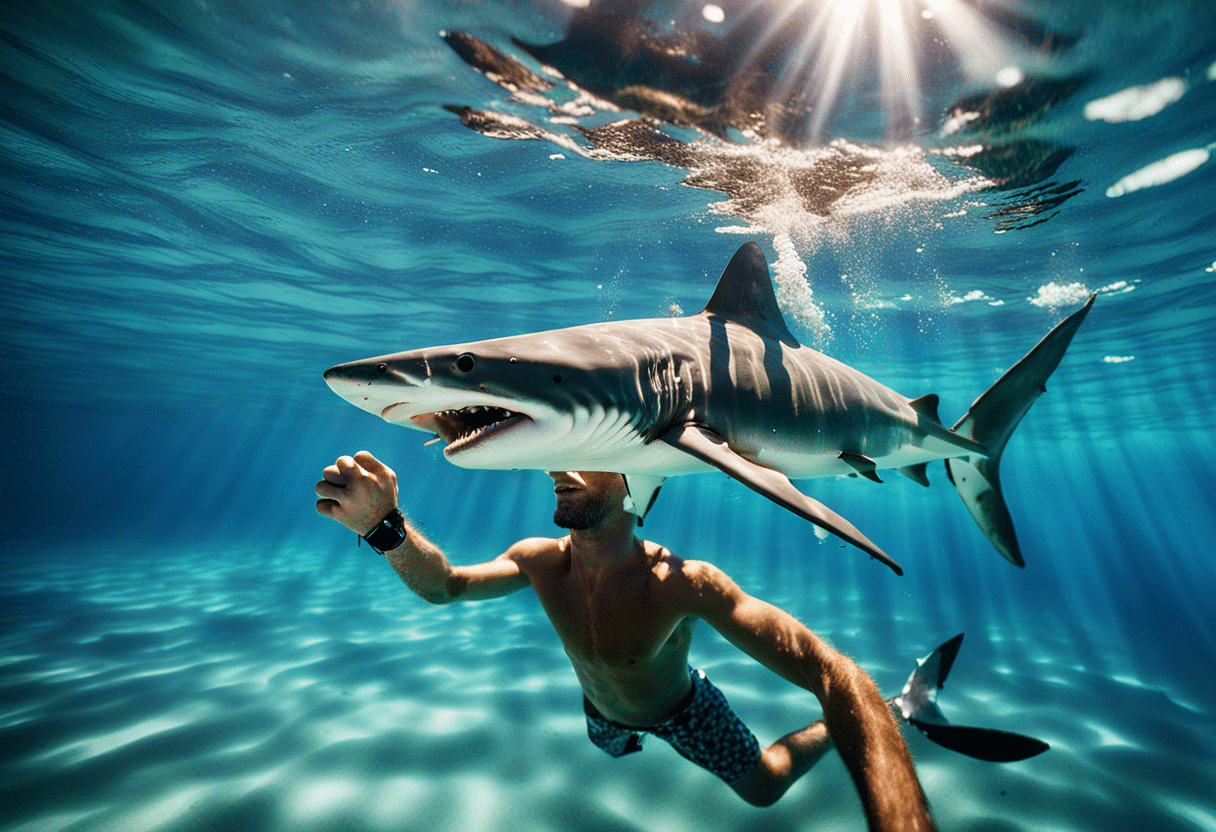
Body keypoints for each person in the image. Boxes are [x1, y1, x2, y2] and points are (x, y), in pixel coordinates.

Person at [316, 451, 936, 831]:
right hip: (603, 715)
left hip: (683, 710)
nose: (560, 466)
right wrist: (384, 527)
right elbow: (447, 586)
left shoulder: (684, 584)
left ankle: (871, 718)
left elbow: (833, 673)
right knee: (614, 742)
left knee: (765, 788)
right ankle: (625, 734)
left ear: (638, 483)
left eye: (587, 453)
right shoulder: (539, 562)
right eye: (558, 451)